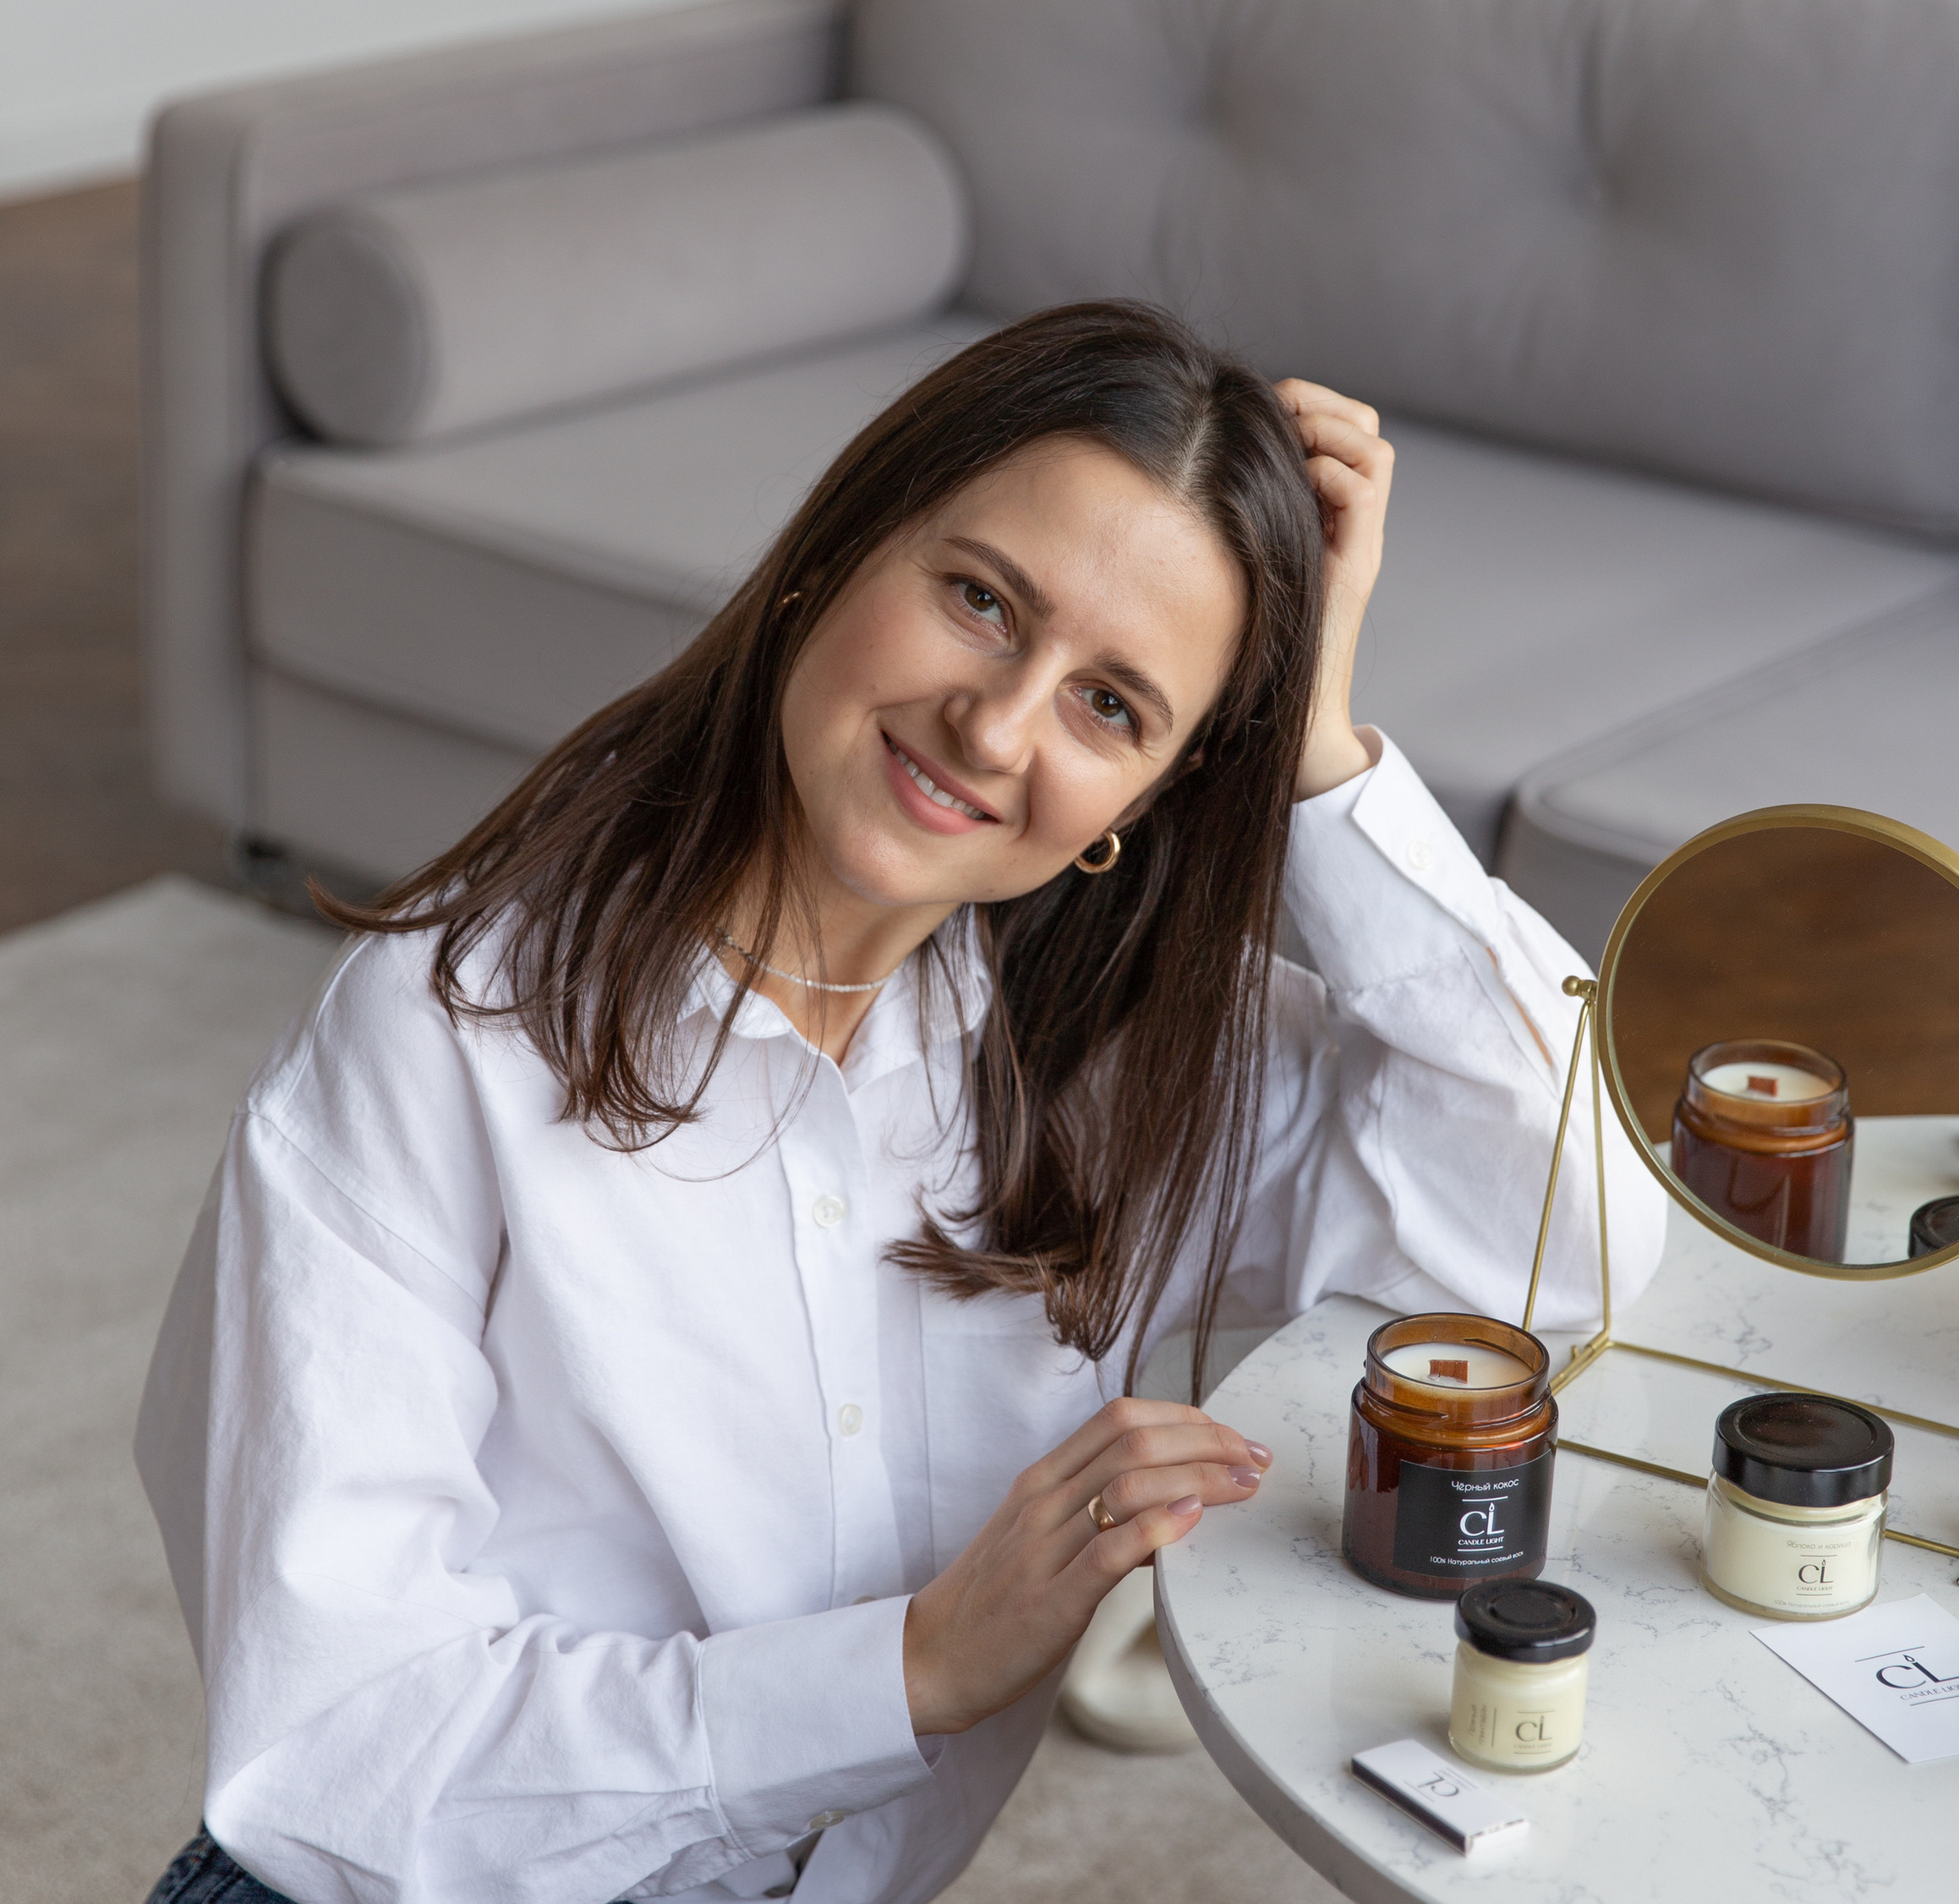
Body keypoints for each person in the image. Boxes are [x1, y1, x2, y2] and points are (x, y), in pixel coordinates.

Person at [136, 300, 1663, 1904]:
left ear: (1144, 801)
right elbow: (337, 1759)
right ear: (841, 553)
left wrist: (1321, 757)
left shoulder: (1129, 1056)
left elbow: (1567, 1247)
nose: (996, 728)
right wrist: (914, 1668)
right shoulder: (441, 1030)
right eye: (981, 600)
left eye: (1113, 706)